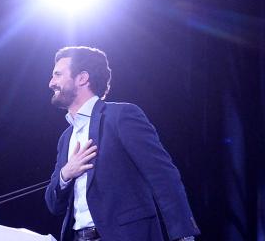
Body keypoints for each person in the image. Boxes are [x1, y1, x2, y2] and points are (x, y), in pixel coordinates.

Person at [44, 46, 200, 241]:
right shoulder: (66, 138)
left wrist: (184, 235)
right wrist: (66, 173)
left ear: (82, 78)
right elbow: (53, 204)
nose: (51, 83)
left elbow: (162, 176)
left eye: (57, 75)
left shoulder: (121, 116)